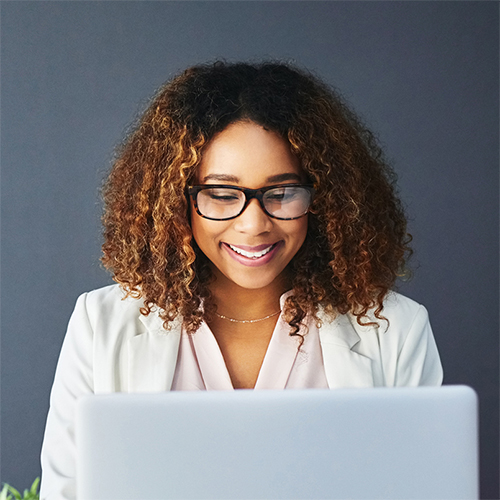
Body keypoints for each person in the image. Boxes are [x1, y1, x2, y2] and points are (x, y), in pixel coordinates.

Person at [40, 61, 443, 499]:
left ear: (324, 198)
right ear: (178, 201)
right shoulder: (99, 325)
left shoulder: (396, 330)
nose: (253, 225)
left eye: (282, 192)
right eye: (221, 193)